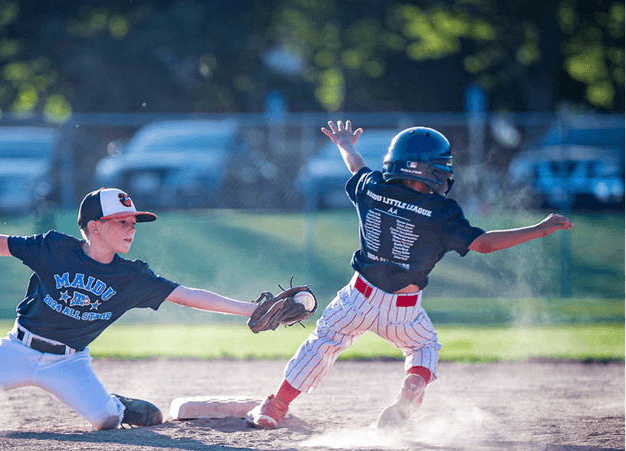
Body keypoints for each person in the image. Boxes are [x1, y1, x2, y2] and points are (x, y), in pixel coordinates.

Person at [246, 120, 574, 430]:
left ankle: (276, 405)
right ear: (430, 171)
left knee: (322, 344)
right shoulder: (441, 211)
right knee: (424, 347)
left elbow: (356, 166)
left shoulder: (372, 187)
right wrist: (539, 229)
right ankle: (405, 403)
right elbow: (483, 244)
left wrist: (344, 142)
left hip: (357, 297)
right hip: (403, 309)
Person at [0, 187, 260, 432]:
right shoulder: (54, 248)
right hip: (17, 349)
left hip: (68, 361)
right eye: (121, 221)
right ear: (95, 227)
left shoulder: (130, 276)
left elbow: (187, 295)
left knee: (104, 420)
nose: (131, 228)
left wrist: (249, 309)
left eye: (133, 222)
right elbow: (2, 244)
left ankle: (119, 405)